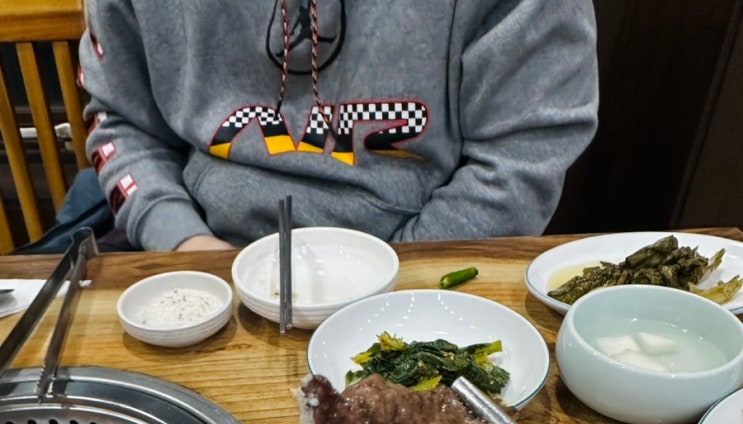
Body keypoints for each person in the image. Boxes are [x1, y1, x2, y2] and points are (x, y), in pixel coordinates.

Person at [78, 0, 599, 253]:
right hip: (199, 254)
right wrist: (184, 242)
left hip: (422, 270)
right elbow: (121, 120)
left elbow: (522, 157)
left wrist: (401, 271)